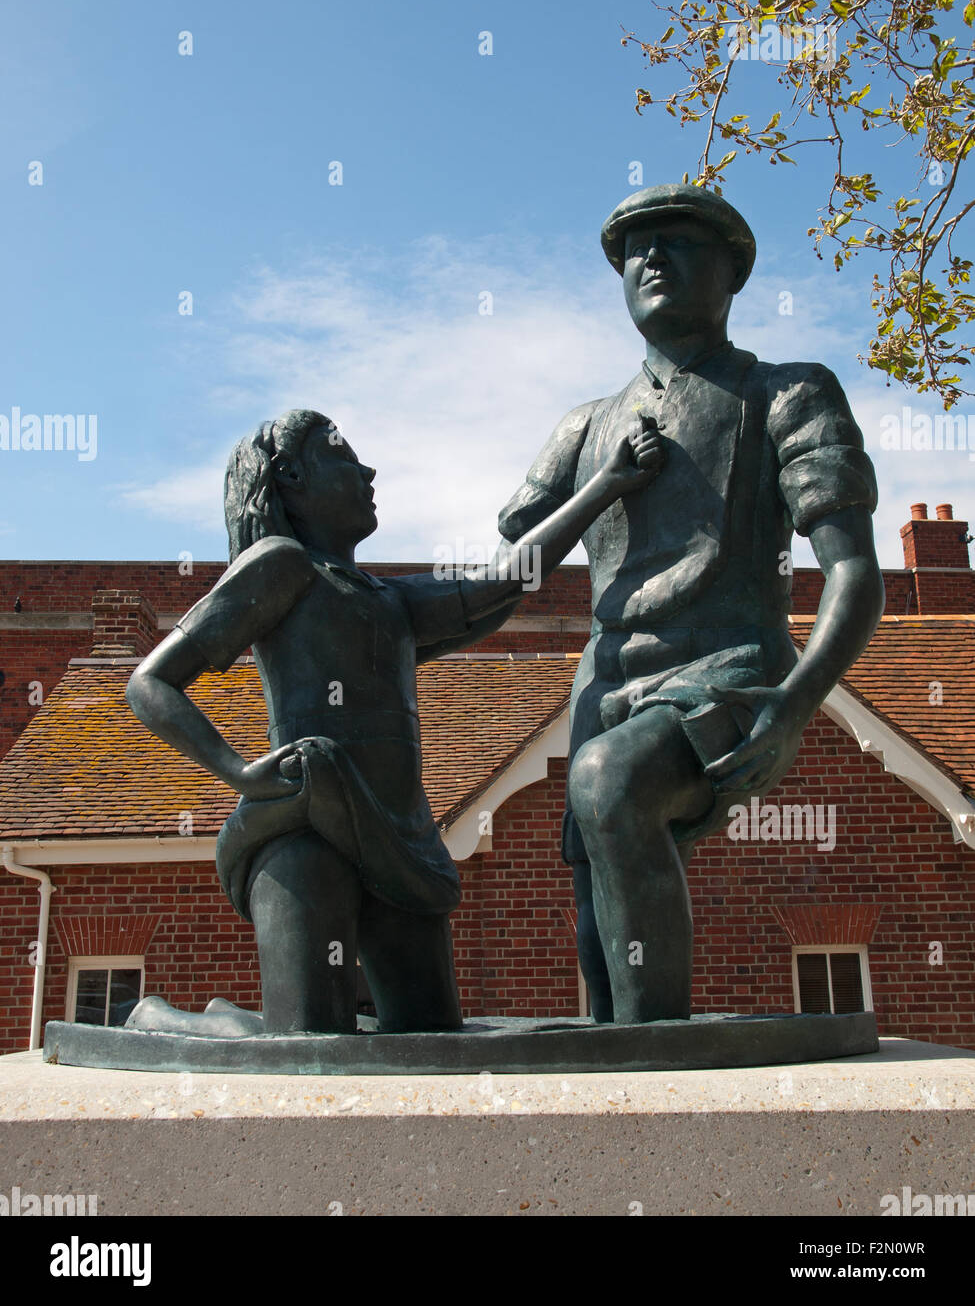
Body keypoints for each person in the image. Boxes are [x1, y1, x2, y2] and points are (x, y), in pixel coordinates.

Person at [125, 407, 662, 1035]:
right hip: (306, 830)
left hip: (400, 845)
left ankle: (232, 1016)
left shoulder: (391, 601)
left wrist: (605, 486)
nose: (367, 468)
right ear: (291, 476)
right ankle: (162, 1020)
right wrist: (239, 772)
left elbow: (508, 581)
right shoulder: (281, 565)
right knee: (307, 1044)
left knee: (431, 1036)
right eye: (342, 453)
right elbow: (150, 683)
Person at [498, 184, 885, 1025]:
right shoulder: (585, 426)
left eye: (678, 243)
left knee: (609, 787)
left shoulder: (786, 394)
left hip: (728, 669)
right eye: (637, 250)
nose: (652, 260)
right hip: (602, 685)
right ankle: (614, 1046)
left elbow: (855, 574)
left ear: (733, 272)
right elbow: (514, 569)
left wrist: (794, 702)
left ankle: (653, 1050)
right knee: (590, 883)